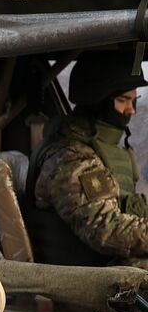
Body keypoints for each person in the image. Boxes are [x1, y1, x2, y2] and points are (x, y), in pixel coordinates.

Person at [26, 51, 148, 268]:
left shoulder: (89, 150)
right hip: (87, 277)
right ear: (97, 101)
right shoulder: (71, 159)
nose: (131, 110)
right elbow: (105, 229)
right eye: (123, 101)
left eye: (134, 100)